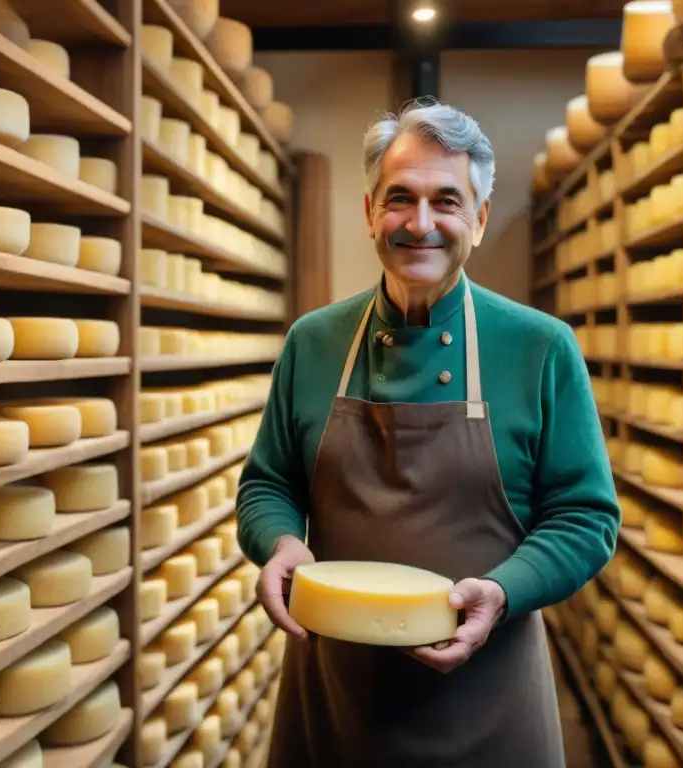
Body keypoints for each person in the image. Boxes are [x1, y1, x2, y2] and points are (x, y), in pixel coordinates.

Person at [236, 97, 621, 767]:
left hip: (487, 694)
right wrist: (279, 541)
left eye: (446, 201)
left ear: (479, 217)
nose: (421, 224)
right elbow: (269, 482)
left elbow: (585, 518)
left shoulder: (541, 348)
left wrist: (501, 594)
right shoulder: (313, 342)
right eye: (399, 199)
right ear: (368, 213)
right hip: (335, 696)